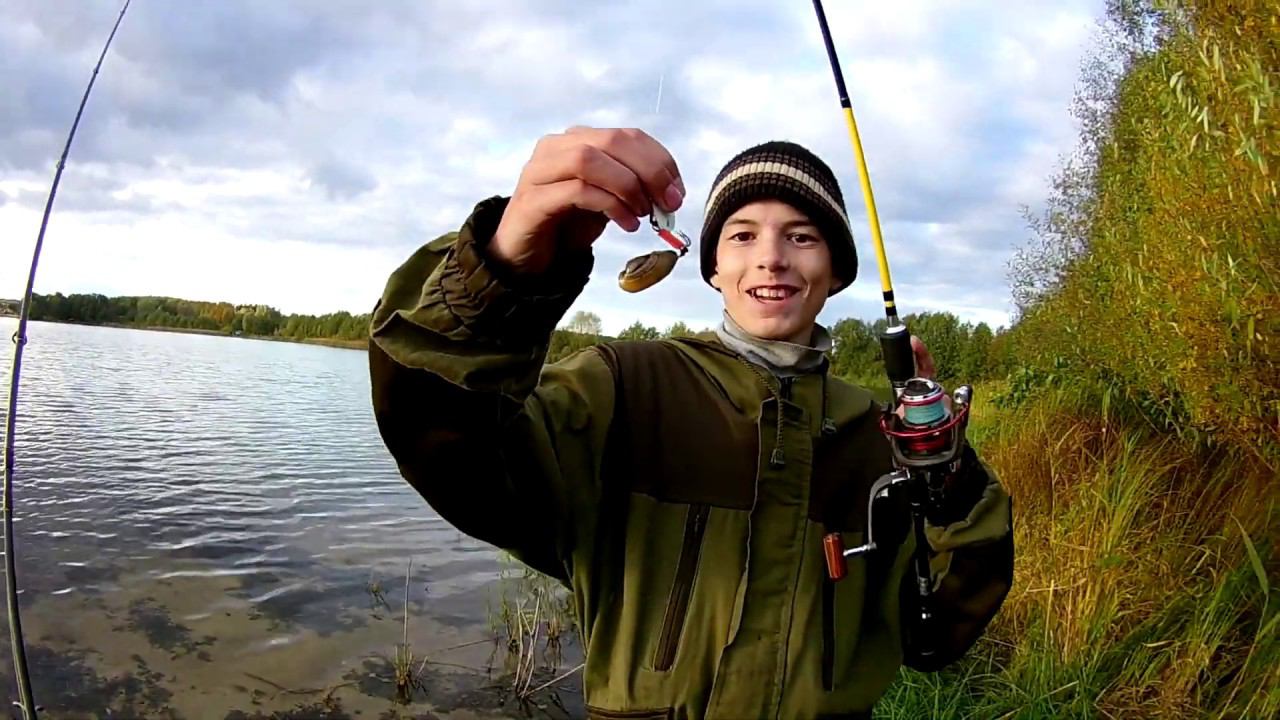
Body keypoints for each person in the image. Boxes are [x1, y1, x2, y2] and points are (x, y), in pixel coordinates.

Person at [367, 126, 1013, 719]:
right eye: (742, 235)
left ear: (837, 270)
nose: (771, 258)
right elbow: (445, 447)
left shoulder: (876, 436)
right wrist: (502, 271)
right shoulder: (621, 386)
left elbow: (937, 635)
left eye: (802, 236)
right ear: (711, 268)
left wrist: (945, 469)